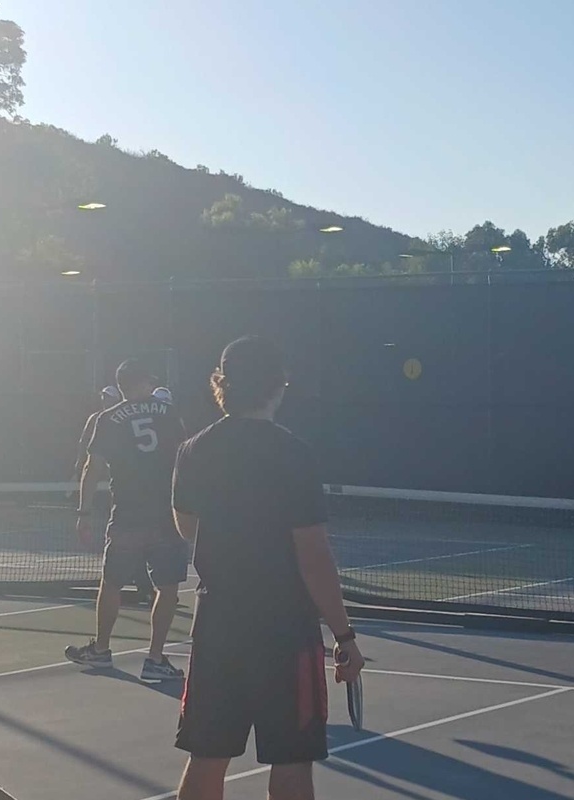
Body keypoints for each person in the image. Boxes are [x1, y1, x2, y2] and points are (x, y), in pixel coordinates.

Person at [171, 335, 364, 800]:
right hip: (285, 632)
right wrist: (345, 636)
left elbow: (186, 526)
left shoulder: (194, 450)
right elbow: (313, 555)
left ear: (222, 385)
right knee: (292, 759)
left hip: (217, 625)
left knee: (208, 756)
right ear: (278, 386)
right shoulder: (294, 454)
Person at [66, 359, 189, 680]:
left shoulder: (106, 419)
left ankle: (101, 650)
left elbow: (93, 468)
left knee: (112, 583)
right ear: (142, 383)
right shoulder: (169, 412)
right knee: (168, 587)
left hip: (127, 515)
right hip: (167, 516)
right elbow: (184, 457)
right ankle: (156, 659)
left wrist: (84, 511)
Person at [72, 384, 154, 606]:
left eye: (109, 398)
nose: (105, 401)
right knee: (118, 542)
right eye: (104, 398)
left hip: (123, 494)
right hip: (108, 494)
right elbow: (86, 453)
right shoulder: (98, 420)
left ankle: (144, 584)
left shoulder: (121, 421)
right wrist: (80, 477)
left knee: (131, 542)